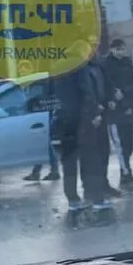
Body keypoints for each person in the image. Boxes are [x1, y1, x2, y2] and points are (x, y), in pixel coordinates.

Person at [54, 53, 113, 219]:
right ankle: (96, 199)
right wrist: (94, 113)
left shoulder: (56, 66)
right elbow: (86, 91)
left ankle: (73, 200)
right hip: (82, 119)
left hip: (63, 120)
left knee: (69, 161)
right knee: (90, 159)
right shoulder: (78, 65)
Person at [103, 38, 133, 191]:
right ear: (112, 50)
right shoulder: (106, 65)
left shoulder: (128, 63)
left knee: (128, 145)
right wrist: (113, 95)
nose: (120, 51)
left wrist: (126, 96)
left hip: (128, 109)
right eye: (117, 49)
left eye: (122, 49)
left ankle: (125, 173)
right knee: (120, 147)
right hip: (115, 113)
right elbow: (106, 85)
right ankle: (126, 176)